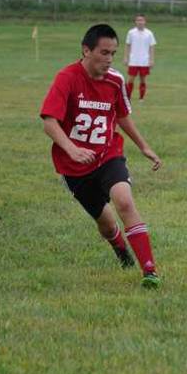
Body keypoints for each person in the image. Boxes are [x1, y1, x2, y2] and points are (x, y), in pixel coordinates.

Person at [40, 24, 162, 288]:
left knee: (124, 201)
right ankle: (120, 250)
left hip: (108, 155)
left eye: (113, 54)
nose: (108, 59)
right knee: (107, 226)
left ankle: (150, 270)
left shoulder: (116, 81)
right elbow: (49, 121)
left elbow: (121, 116)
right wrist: (72, 149)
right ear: (86, 50)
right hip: (73, 167)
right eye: (103, 53)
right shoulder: (67, 78)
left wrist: (144, 146)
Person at [123, 14, 156, 102]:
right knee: (130, 79)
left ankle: (141, 98)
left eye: (142, 20)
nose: (140, 22)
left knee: (143, 79)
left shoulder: (149, 33)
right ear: (135, 22)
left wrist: (152, 60)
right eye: (138, 20)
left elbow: (152, 47)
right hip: (133, 60)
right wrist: (126, 57)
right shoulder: (131, 32)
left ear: (145, 22)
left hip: (144, 61)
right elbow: (127, 45)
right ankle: (128, 97)